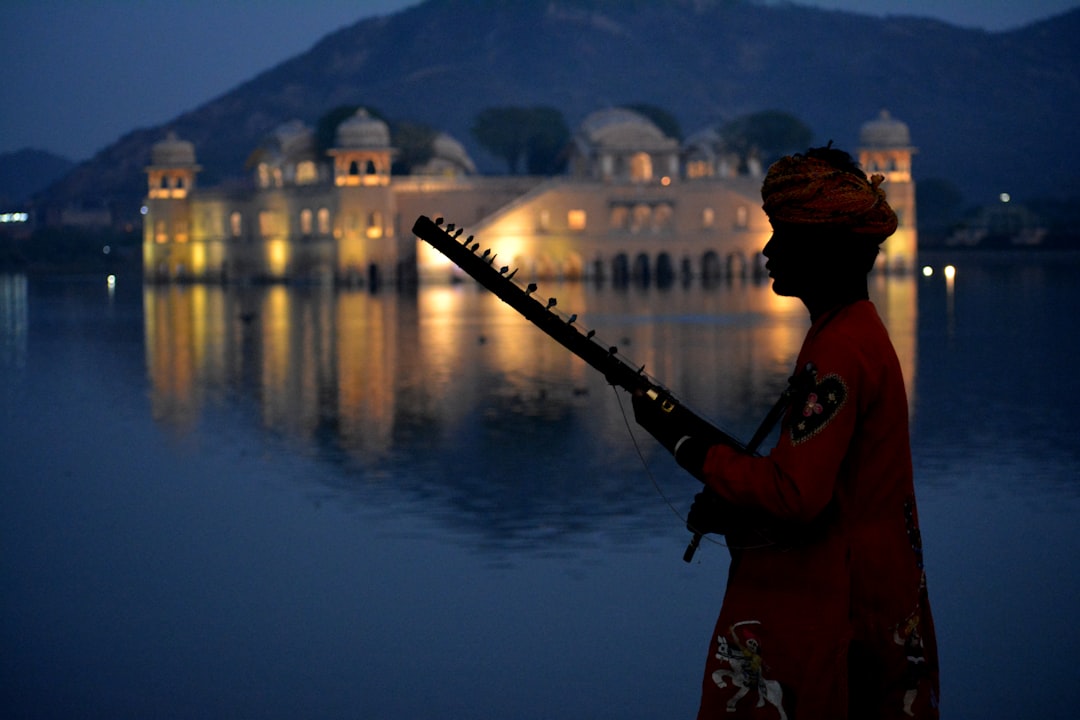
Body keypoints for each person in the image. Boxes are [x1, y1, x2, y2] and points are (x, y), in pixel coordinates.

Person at [632, 145, 939, 718]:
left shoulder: (841, 350)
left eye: (784, 236)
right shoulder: (852, 333)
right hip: (871, 592)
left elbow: (797, 496)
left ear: (824, 250)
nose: (770, 251)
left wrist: (689, 447)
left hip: (844, 613)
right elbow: (830, 486)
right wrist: (733, 508)